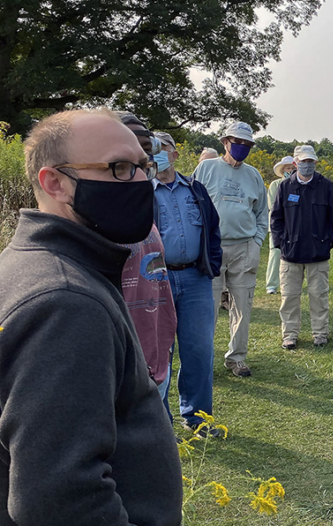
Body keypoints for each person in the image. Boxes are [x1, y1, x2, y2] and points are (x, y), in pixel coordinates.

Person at [0, 109, 182, 523]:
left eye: (143, 165)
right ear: (55, 183)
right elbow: (60, 498)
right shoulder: (65, 301)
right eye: (119, 168)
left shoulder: (31, 264)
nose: (140, 181)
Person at [153, 132, 224, 437]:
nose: (158, 155)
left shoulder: (195, 189)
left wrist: (212, 264)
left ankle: (198, 418)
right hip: (157, 280)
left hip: (195, 279)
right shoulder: (142, 192)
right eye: (151, 150)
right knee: (158, 353)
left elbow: (213, 227)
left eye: (163, 149)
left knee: (198, 350)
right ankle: (159, 423)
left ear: (175, 154)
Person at [193, 121, 267, 377]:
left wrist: (257, 241)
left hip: (244, 246)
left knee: (242, 307)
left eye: (247, 144)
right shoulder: (206, 168)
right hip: (212, 247)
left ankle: (237, 358)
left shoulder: (254, 174)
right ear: (225, 142)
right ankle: (204, 360)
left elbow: (261, 214)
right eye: (237, 143)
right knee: (208, 307)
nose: (242, 148)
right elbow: (194, 203)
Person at [116, 112, 177, 405]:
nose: (140, 175)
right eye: (124, 165)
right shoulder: (86, 231)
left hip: (154, 358)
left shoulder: (144, 223)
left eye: (144, 165)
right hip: (120, 372)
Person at [270, 145, 333, 349]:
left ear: (315, 163)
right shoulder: (285, 187)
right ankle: (289, 335)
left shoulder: (325, 186)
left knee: (318, 295)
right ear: (295, 163)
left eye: (310, 161)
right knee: (289, 296)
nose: (307, 165)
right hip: (290, 253)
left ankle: (320, 333)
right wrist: (281, 243)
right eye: (303, 161)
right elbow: (276, 218)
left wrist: (327, 242)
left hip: (318, 252)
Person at [265, 156, 296, 294]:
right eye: (288, 168)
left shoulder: (297, 185)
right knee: (275, 252)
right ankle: (271, 285)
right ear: (283, 170)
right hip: (277, 224)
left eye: (292, 168)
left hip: (294, 225)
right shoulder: (275, 185)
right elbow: (272, 205)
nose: (290, 170)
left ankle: (289, 284)